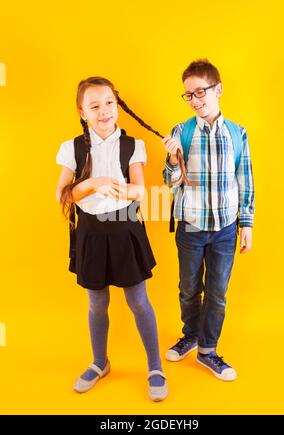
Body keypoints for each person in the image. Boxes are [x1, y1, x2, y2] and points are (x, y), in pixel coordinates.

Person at [56, 76, 168, 401]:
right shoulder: (72, 148)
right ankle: (99, 362)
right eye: (94, 106)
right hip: (90, 230)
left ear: (116, 105)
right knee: (96, 303)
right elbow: (62, 196)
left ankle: (155, 366)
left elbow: (139, 190)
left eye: (109, 103)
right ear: (82, 111)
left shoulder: (133, 146)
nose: (104, 111)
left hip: (124, 226)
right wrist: (94, 183)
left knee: (138, 301)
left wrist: (126, 190)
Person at [162, 59, 255, 381]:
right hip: (190, 226)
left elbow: (245, 179)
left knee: (217, 292)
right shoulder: (181, 131)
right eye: (188, 95)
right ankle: (191, 334)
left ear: (218, 90)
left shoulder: (237, 133)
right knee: (188, 288)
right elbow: (169, 182)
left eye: (200, 91)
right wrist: (174, 159)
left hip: (226, 229)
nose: (195, 100)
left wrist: (247, 224)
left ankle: (208, 351)